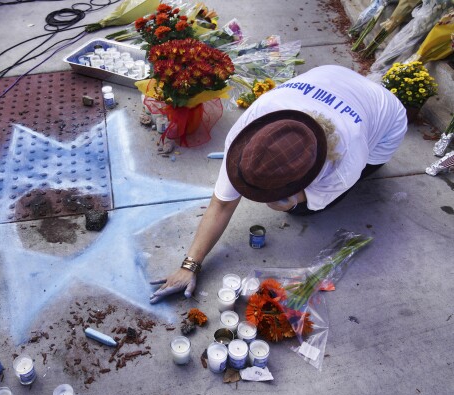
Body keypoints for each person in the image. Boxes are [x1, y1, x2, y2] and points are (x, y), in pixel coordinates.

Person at [150, 65, 407, 304]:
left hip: (387, 119)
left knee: (305, 212)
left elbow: (309, 195)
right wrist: (189, 265)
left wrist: (295, 200)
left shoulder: (345, 166)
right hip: (332, 75)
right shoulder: (248, 134)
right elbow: (221, 205)